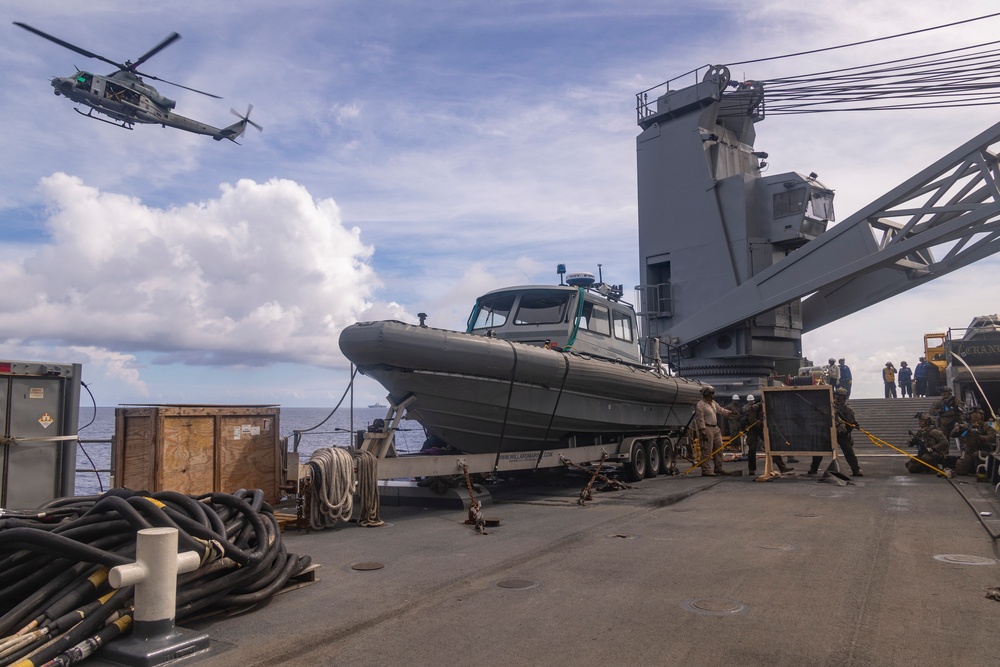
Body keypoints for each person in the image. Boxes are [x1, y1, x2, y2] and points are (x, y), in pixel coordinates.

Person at [743, 394, 792, 476]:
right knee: (752, 448)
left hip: (761, 428)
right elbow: (752, 420)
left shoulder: (767, 406)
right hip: (753, 429)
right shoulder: (755, 407)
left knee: (772, 446)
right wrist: (762, 423)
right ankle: (751, 469)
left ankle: (782, 467)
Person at [694, 385, 733, 477]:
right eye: (711, 393)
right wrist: (702, 431)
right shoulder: (700, 405)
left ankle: (718, 468)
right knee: (707, 449)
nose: (713, 395)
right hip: (707, 428)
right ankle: (706, 470)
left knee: (719, 448)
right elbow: (700, 419)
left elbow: (720, 410)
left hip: (715, 428)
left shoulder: (713, 403)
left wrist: (730, 413)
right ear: (706, 393)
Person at [955, 410, 998, 476]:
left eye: (977, 415)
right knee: (961, 470)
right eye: (973, 416)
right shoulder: (967, 426)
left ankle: (981, 472)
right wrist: (959, 428)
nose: (975, 417)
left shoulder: (985, 426)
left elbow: (994, 436)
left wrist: (980, 437)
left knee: (977, 455)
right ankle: (971, 468)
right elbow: (954, 435)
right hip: (970, 450)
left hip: (983, 449)